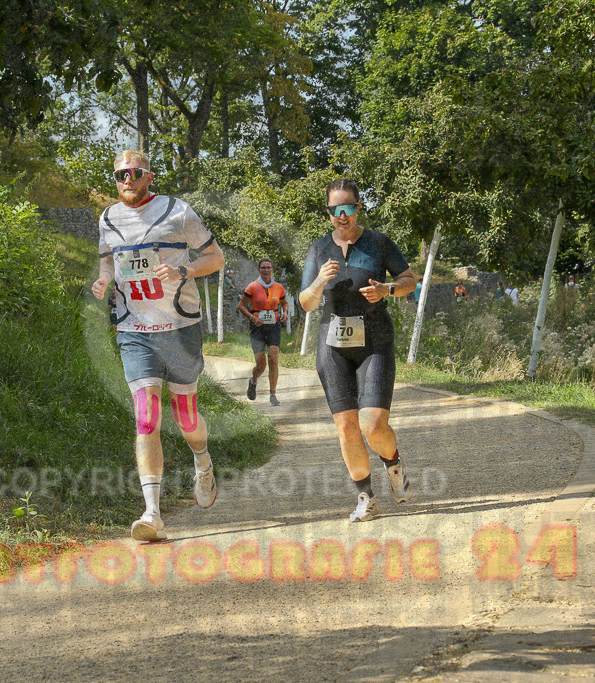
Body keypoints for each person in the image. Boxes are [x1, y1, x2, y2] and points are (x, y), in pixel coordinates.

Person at [91, 150, 226, 541]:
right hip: (134, 330)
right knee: (146, 417)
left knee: (186, 418)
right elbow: (107, 260)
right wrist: (104, 279)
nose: (126, 180)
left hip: (180, 327)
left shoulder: (177, 212)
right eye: (119, 174)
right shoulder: (108, 218)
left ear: (149, 176)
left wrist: (184, 269)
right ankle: (152, 514)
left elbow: (216, 258)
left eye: (134, 173)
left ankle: (203, 462)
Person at [299, 178, 417, 523]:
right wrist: (319, 281)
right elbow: (305, 302)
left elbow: (410, 280)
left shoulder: (379, 243)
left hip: (375, 339)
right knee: (347, 426)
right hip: (332, 343)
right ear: (328, 212)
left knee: (372, 424)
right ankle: (366, 497)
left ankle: (394, 464)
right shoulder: (319, 249)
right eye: (335, 209)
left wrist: (387, 289)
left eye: (348, 207)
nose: (342, 215)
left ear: (358, 208)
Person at [238, 258, 289, 406]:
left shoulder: (279, 287)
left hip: (273, 325)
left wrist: (285, 312)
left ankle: (273, 395)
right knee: (261, 365)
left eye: (268, 267)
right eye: (263, 268)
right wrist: (253, 318)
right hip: (257, 328)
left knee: (273, 357)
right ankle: (253, 381)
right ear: (259, 270)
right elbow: (241, 306)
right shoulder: (252, 287)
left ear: (272, 269)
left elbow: (284, 303)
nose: (266, 270)